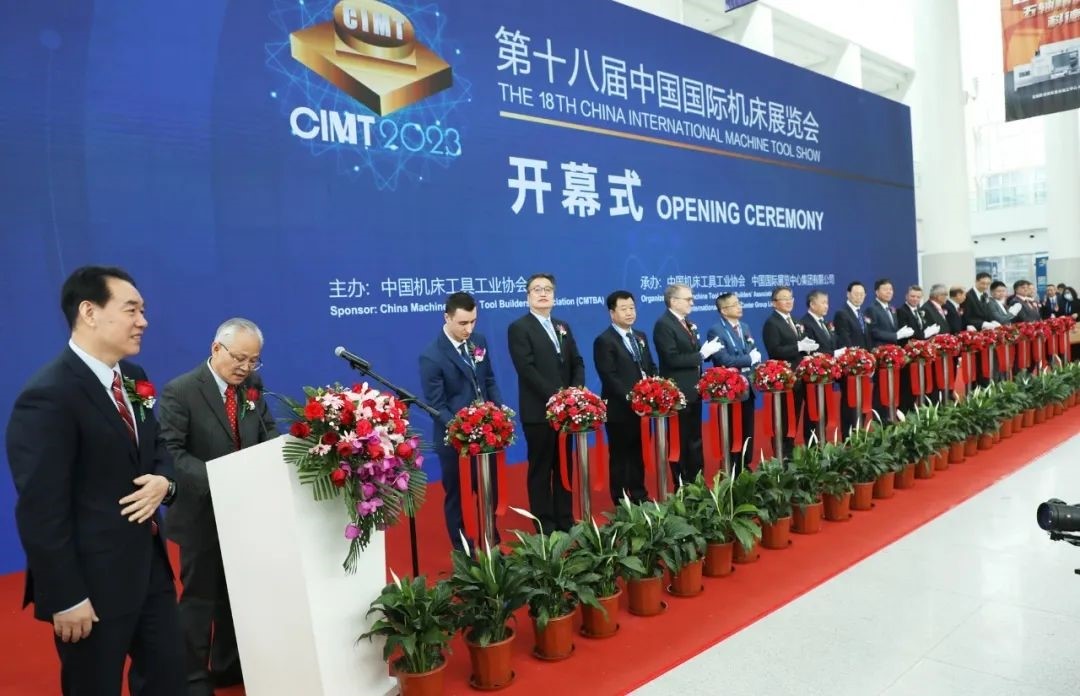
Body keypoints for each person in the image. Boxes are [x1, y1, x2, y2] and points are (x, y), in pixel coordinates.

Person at [6, 266, 184, 695]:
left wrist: (165, 482)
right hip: (91, 584)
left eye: (143, 310)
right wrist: (65, 596)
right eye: (131, 310)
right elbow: (41, 509)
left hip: (150, 571)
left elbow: (158, 448)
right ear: (89, 312)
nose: (143, 321)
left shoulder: (134, 378)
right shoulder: (49, 395)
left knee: (170, 680)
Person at [157, 318, 277, 696]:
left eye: (253, 360)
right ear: (216, 349)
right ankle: (193, 677)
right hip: (201, 512)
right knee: (200, 599)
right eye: (239, 358)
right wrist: (221, 479)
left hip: (243, 512)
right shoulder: (181, 391)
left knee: (235, 594)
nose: (245, 367)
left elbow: (267, 430)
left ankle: (228, 666)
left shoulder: (252, 386)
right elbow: (172, 452)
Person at [419, 292, 504, 547]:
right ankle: (464, 552)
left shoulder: (479, 341)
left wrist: (497, 414)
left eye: (473, 321)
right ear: (447, 317)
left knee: (489, 492)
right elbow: (437, 406)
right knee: (459, 497)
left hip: (487, 436)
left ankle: (491, 545)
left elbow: (489, 380)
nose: (469, 329)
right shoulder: (432, 356)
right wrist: (465, 431)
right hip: (455, 440)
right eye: (463, 323)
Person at [507, 274, 585, 532]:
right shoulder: (519, 328)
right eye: (537, 289)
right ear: (527, 296)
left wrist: (575, 394)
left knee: (564, 467)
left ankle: (565, 519)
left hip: (567, 413)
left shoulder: (563, 326)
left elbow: (577, 361)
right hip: (539, 412)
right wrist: (558, 398)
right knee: (541, 471)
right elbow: (526, 369)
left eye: (548, 289)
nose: (543, 293)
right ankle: (545, 525)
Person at [654, 284, 720, 486]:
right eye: (688, 299)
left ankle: (698, 482)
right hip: (678, 393)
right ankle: (682, 486)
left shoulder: (686, 323)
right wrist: (701, 355)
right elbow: (672, 359)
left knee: (695, 440)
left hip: (694, 391)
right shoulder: (664, 325)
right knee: (680, 442)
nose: (692, 302)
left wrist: (705, 352)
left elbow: (692, 353)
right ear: (673, 301)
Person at [593, 290, 656, 503]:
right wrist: (632, 398)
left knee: (639, 453)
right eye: (624, 309)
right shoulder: (604, 341)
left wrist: (654, 390)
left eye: (632, 308)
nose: (629, 313)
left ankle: (639, 494)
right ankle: (621, 500)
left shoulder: (640, 336)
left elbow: (650, 366)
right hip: (620, 409)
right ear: (612, 313)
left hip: (644, 408)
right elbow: (609, 376)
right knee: (620, 455)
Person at [706, 292, 759, 476]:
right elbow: (724, 360)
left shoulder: (745, 327)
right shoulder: (716, 331)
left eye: (739, 303)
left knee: (748, 430)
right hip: (730, 390)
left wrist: (753, 360)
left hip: (748, 387)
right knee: (732, 431)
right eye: (735, 304)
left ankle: (746, 466)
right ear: (723, 310)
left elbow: (752, 352)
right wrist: (749, 360)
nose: (739, 306)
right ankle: (732, 469)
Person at [762, 285, 817, 459]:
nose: (788, 301)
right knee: (784, 419)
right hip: (784, 380)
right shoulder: (771, 323)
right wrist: (798, 346)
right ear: (774, 303)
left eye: (790, 298)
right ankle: (782, 455)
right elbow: (774, 350)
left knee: (795, 417)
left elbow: (799, 343)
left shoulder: (794, 320)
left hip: (799, 377)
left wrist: (807, 348)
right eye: (784, 298)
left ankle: (791, 452)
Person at [864, 279, 915, 420]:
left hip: (892, 357)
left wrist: (900, 334)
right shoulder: (871, 309)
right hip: (881, 357)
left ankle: (889, 416)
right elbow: (873, 331)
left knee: (891, 388)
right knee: (880, 390)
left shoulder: (892, 309)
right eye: (885, 289)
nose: (889, 292)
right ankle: (879, 419)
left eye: (891, 289)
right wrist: (895, 336)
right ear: (877, 292)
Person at [799, 289, 837, 444]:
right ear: (812, 304)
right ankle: (813, 445)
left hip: (826, 376)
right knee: (814, 412)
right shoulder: (805, 323)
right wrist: (833, 353)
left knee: (824, 410)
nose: (826, 306)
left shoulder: (824, 323)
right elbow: (812, 349)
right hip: (814, 377)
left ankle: (822, 441)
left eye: (827, 302)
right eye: (823, 302)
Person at [833, 281, 871, 437]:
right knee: (850, 404)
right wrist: (857, 360)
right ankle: (848, 436)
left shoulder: (861, 313)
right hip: (851, 367)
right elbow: (845, 340)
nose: (859, 297)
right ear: (848, 294)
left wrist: (868, 360)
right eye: (856, 294)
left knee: (862, 402)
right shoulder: (842, 313)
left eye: (862, 294)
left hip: (862, 367)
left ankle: (860, 433)